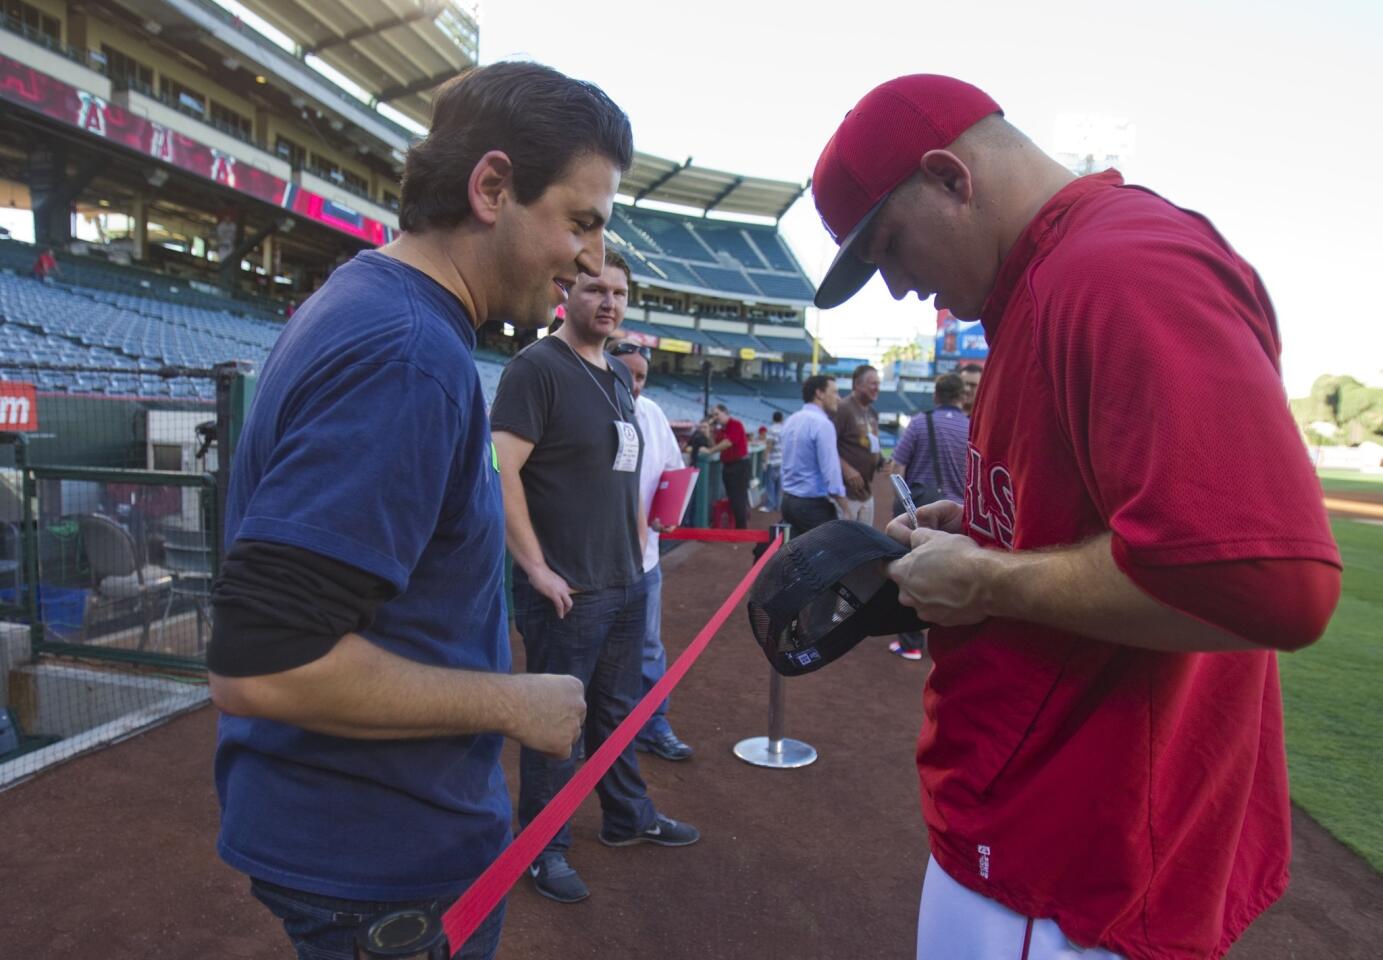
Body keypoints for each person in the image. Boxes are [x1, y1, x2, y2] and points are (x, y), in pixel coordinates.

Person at [811, 74, 1341, 960]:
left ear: (951, 176)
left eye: (890, 248)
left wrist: (986, 576)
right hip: (1041, 839)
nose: (897, 289)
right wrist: (986, 535)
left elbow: (1272, 584)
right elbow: (1097, 523)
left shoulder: (1118, 266)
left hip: (1069, 868)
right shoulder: (1048, 280)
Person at [206, 62, 628, 960]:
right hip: (376, 861)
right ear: (491, 187)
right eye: (580, 221)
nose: (589, 258)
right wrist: (514, 702)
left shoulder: (376, 310)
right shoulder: (406, 352)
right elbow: (263, 664)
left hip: (356, 838)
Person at [491, 250, 699, 907]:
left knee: (618, 711)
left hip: (624, 579)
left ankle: (625, 815)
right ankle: (542, 847)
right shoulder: (535, 369)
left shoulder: (614, 374)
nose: (608, 301)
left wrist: (637, 549)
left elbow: (621, 469)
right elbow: (500, 474)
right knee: (556, 721)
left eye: (618, 292)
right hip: (565, 589)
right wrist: (533, 567)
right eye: (594, 288)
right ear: (564, 292)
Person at [609, 340, 695, 762]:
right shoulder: (586, 408)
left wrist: (669, 513)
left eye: (641, 376)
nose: (634, 384)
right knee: (590, 651)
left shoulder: (655, 414)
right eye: (626, 373)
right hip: (590, 562)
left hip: (645, 559)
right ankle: (589, 733)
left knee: (648, 646)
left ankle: (651, 723)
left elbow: (674, 473)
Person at [886, 373, 969, 661]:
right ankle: (952, 646)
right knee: (956, 578)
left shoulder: (920, 422)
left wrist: (899, 507)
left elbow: (897, 467)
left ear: (936, 395)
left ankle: (910, 642)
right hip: (959, 515)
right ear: (962, 397)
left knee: (914, 571)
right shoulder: (973, 426)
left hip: (921, 511)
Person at [777, 374, 849, 539]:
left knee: (796, 555)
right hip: (811, 505)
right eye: (835, 392)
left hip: (788, 501)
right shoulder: (823, 424)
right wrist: (846, 508)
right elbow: (831, 474)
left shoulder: (791, 420)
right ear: (819, 393)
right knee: (828, 555)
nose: (839, 398)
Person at [835, 364, 886, 525]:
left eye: (878, 384)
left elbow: (874, 446)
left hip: (866, 493)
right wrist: (846, 468)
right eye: (873, 383)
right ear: (857, 384)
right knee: (844, 545)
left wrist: (882, 461)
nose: (877, 388)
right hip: (845, 494)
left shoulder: (872, 413)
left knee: (865, 546)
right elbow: (827, 447)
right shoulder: (843, 408)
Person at [708, 402, 750, 527]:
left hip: (739, 465)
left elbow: (727, 443)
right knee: (733, 498)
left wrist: (710, 451)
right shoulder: (721, 429)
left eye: (717, 414)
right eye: (713, 415)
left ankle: (741, 529)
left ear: (725, 413)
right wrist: (709, 431)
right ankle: (739, 526)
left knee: (738, 498)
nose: (715, 417)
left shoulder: (735, 424)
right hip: (728, 466)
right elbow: (714, 444)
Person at [759, 410, 785, 512]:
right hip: (782, 461)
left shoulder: (772, 430)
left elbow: (769, 445)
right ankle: (778, 505)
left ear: (773, 419)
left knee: (770, 484)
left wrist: (765, 460)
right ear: (781, 419)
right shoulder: (785, 429)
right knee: (779, 485)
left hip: (773, 460)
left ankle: (770, 505)